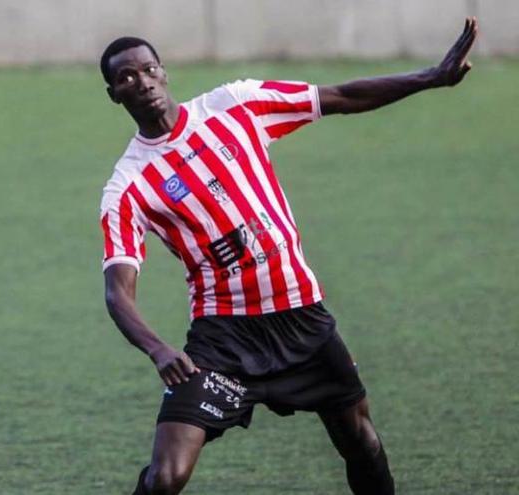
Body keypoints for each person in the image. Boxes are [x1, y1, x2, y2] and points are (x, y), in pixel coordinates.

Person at [99, 18, 478, 495]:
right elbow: (118, 294)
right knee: (166, 477)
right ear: (114, 94)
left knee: (361, 441)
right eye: (127, 77)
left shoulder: (235, 106)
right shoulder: (128, 186)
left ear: (164, 72)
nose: (143, 82)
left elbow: (340, 97)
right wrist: (158, 349)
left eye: (149, 69)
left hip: (303, 319)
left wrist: (432, 77)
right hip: (224, 341)